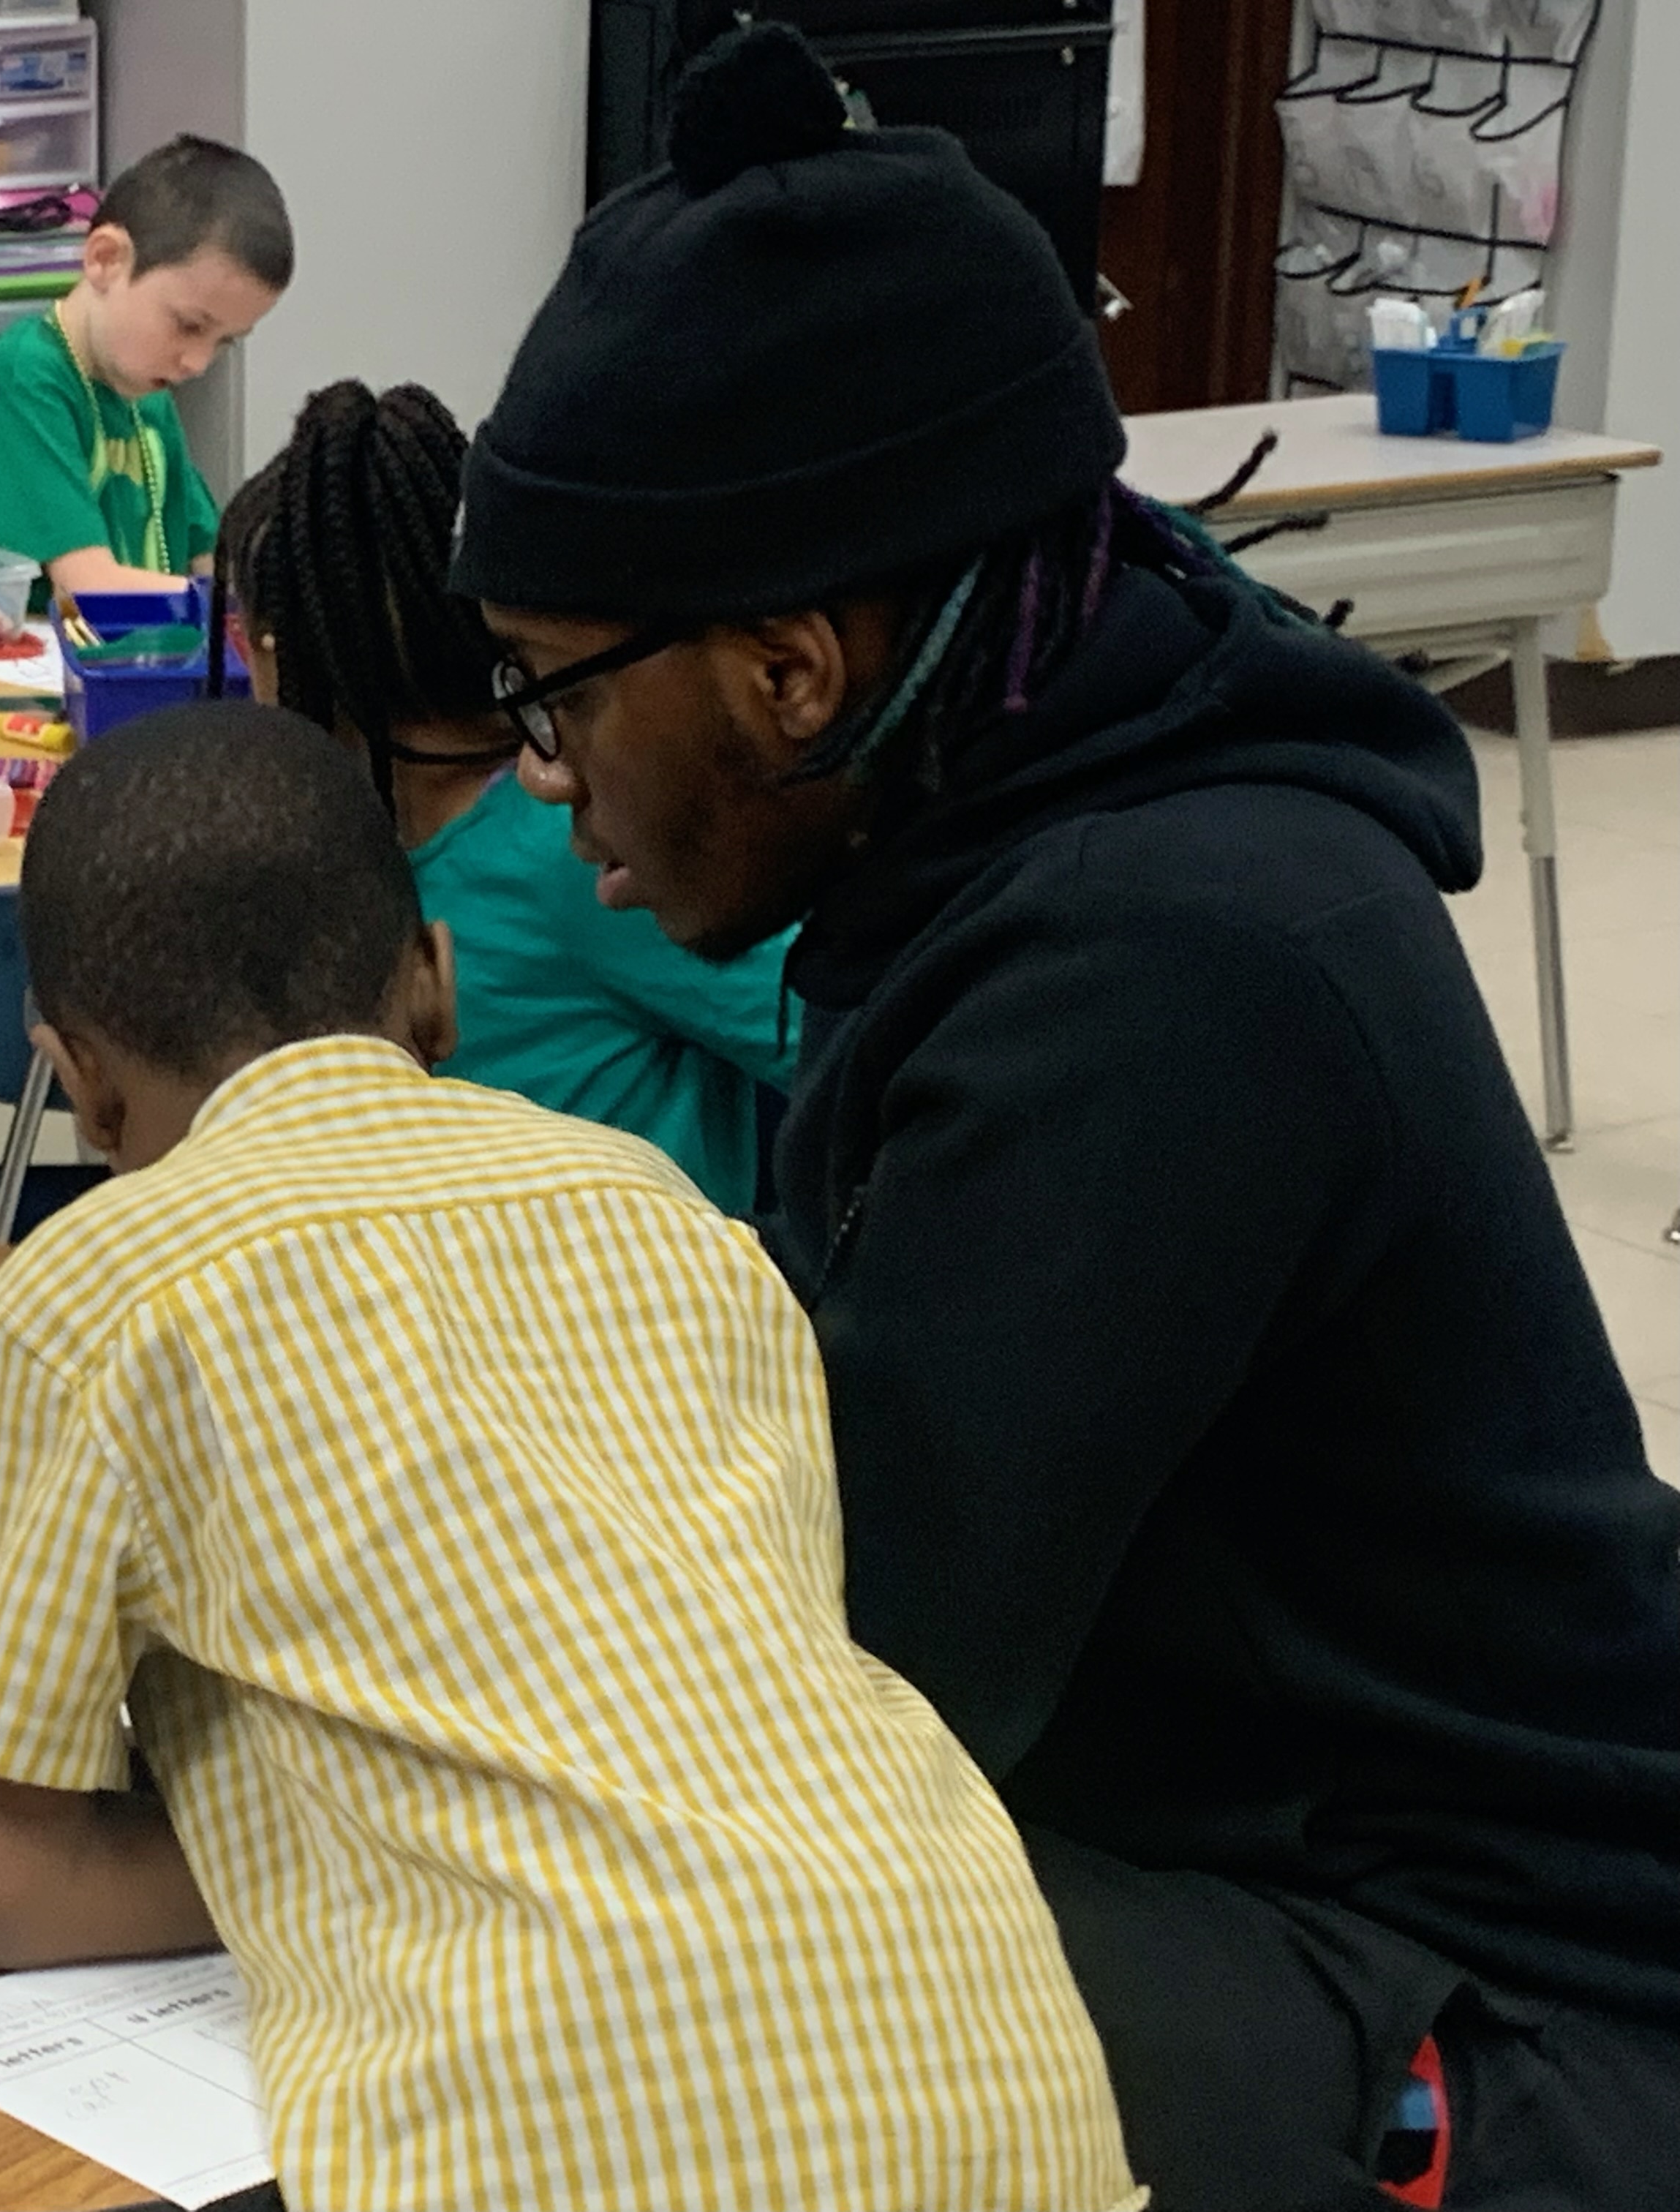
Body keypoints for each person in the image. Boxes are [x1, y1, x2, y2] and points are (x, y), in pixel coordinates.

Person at [445, 26, 1680, 2211]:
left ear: (792, 672)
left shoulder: (1165, 966)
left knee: (612, 1988)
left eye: (555, 695)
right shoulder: (1000, 854)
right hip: (1225, 1829)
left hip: (1497, 2005)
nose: (550, 788)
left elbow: (855, 1684)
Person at [0, 703, 1142, 2212]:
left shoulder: (86, 1301)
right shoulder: (668, 1212)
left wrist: (171, 1830)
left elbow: (10, 1891)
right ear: (436, 981)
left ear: (78, 1077)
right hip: (1004, 2083)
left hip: (554, 2148)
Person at [219, 380, 794, 1211]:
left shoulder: (582, 846)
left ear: (282, 656)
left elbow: (851, 1038)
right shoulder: (354, 851)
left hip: (627, 1290)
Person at [0, 135, 289, 595]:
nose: (198, 363)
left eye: (225, 342)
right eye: (188, 325)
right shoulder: (24, 378)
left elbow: (214, 562)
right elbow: (87, 586)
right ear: (105, 259)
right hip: (30, 642)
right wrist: (225, 607)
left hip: (135, 643)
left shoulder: (147, 394)